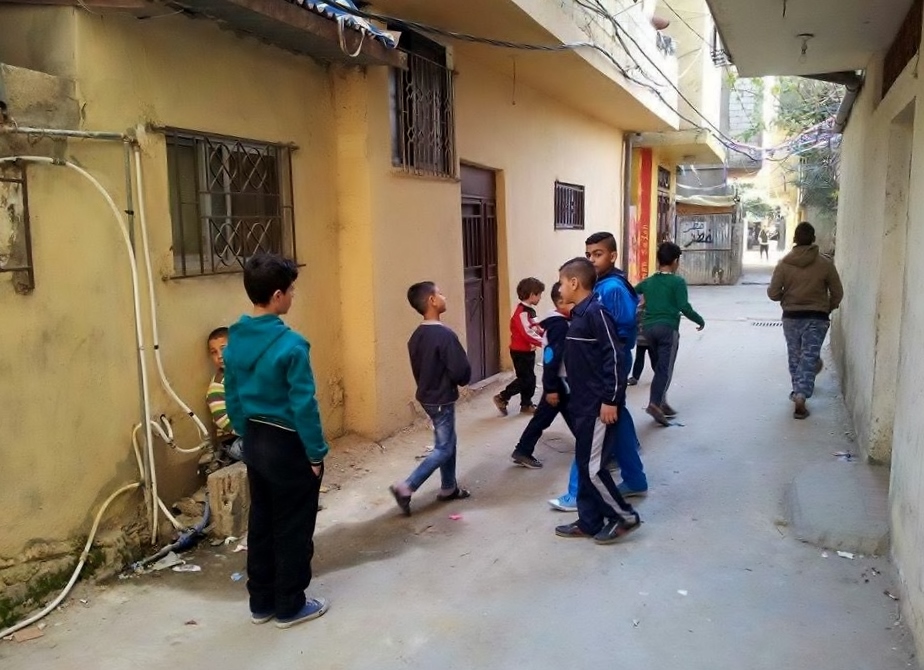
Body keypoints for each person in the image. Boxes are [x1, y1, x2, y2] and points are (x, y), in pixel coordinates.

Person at [223, 253, 329, 629]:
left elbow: (231, 392)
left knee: (263, 520)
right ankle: (290, 605)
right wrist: (316, 453)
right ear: (279, 295)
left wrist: (244, 431)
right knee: (293, 526)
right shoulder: (292, 346)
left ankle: (261, 602)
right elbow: (304, 406)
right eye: (292, 290)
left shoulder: (234, 340)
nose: (294, 296)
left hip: (254, 438)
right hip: (288, 442)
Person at [553, 257, 641, 545]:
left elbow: (615, 357)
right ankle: (589, 521)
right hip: (581, 404)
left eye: (563, 282)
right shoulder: (579, 314)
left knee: (592, 468)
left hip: (597, 406)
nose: (561, 288)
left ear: (574, 283)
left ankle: (624, 516)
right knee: (583, 461)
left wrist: (611, 400)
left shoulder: (597, 313)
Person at [390, 282, 472, 515]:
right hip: (441, 398)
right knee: (444, 447)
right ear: (432, 301)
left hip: (427, 395)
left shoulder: (417, 335)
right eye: (440, 293)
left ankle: (448, 488)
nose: (444, 296)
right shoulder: (444, 335)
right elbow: (460, 370)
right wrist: (464, 377)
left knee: (448, 442)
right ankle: (406, 487)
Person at [768, 222, 843, 419]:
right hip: (817, 317)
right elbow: (837, 292)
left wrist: (786, 297)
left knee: (795, 356)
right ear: (813, 239)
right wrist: (828, 307)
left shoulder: (784, 264)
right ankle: (801, 395)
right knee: (809, 357)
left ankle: (797, 391)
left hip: (792, 318)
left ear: (794, 239)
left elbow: (773, 293)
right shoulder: (825, 264)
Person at [636, 242, 705, 426]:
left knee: (659, 367)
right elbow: (684, 306)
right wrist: (699, 320)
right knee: (665, 370)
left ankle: (662, 403)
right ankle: (654, 404)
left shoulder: (648, 281)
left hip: (649, 330)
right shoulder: (677, 282)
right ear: (675, 261)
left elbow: (633, 292)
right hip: (667, 329)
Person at [509, 282, 574, 469]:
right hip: (559, 381)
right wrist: (551, 387)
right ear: (561, 302)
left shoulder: (561, 321)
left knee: (548, 417)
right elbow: (551, 358)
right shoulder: (558, 326)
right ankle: (597, 452)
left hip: (560, 381)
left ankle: (523, 450)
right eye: (573, 301)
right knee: (573, 417)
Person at [494, 277, 545, 416]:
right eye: (539, 294)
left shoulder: (530, 311)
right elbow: (527, 333)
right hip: (520, 351)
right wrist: (544, 342)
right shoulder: (522, 312)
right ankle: (503, 397)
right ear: (532, 294)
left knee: (529, 378)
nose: (540, 297)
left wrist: (546, 333)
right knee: (525, 379)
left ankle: (526, 404)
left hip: (528, 351)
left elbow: (536, 327)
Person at [206, 327, 243, 463]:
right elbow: (223, 420)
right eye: (214, 352)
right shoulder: (218, 386)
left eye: (224, 348)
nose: (220, 355)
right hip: (234, 441)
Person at [627, 303, 655, 386]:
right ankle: (658, 375)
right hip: (647, 339)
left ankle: (635, 377)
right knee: (652, 358)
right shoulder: (654, 309)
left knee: (641, 359)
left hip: (644, 338)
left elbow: (634, 322)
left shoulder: (638, 309)